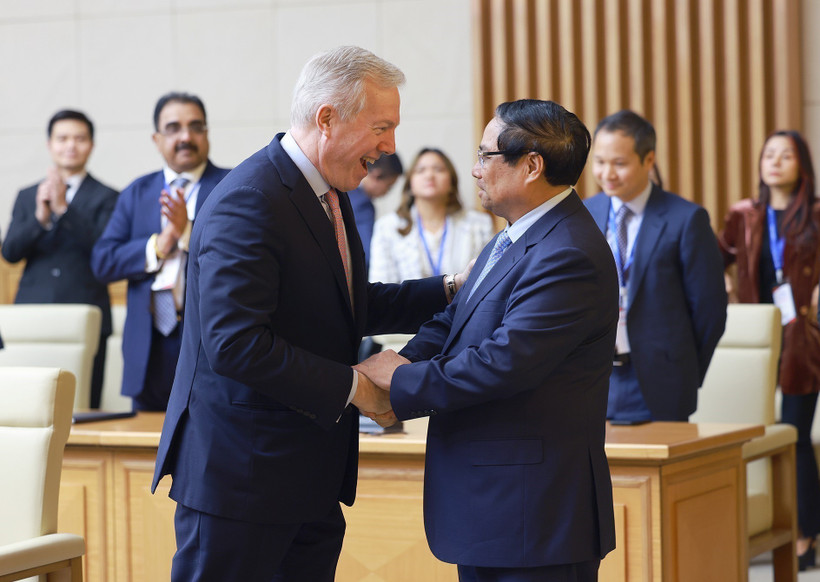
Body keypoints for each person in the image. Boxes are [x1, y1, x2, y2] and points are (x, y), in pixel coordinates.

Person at [151, 46, 463, 582]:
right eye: (382, 128)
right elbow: (235, 344)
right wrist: (355, 387)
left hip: (307, 478)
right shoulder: (249, 198)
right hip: (242, 484)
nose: (391, 147)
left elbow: (342, 305)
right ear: (327, 119)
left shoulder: (328, 189)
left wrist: (453, 288)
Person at [358, 99, 618, 582]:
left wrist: (400, 384)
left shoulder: (568, 253)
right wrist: (398, 360)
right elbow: (451, 322)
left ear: (531, 167)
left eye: (484, 155)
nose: (474, 170)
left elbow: (504, 363)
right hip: (496, 508)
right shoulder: (515, 237)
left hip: (532, 515)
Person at [584, 109, 727, 422]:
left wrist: (685, 370)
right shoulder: (583, 214)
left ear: (648, 160)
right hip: (595, 379)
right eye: (599, 161)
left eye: (619, 164)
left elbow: (710, 310)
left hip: (663, 380)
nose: (607, 173)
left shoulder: (686, 219)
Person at [719, 130, 820, 570]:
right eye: (769, 154)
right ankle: (761, 528)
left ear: (802, 166)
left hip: (803, 341)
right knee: (756, 436)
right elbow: (716, 256)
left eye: (786, 155)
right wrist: (722, 285)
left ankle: (804, 537)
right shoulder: (744, 214)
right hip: (755, 342)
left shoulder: (816, 214)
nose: (775, 161)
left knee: (794, 437)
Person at [91, 92, 230, 411]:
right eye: (173, 128)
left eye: (195, 127)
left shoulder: (232, 187)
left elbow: (242, 257)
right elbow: (103, 261)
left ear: (206, 134)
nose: (185, 137)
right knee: (147, 453)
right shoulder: (137, 192)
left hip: (209, 341)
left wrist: (186, 233)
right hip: (148, 343)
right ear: (156, 138)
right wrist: (160, 244)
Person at [2, 109, 118, 408]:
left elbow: (105, 251)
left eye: (79, 138)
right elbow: (10, 253)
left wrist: (65, 209)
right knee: (25, 404)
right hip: (30, 319)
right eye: (62, 138)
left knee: (83, 405)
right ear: (49, 144)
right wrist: (40, 218)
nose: (71, 145)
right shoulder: (28, 195)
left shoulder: (108, 196)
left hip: (87, 314)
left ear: (91, 145)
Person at [369, 147, 493, 283]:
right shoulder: (387, 227)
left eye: (438, 169)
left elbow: (487, 281)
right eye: (421, 170)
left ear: (452, 181)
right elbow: (382, 286)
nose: (429, 176)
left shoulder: (479, 223)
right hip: (407, 304)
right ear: (410, 183)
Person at [348, 152, 403, 269]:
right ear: (377, 175)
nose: (387, 193)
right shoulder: (364, 206)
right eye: (389, 186)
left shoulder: (342, 192)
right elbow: (367, 254)